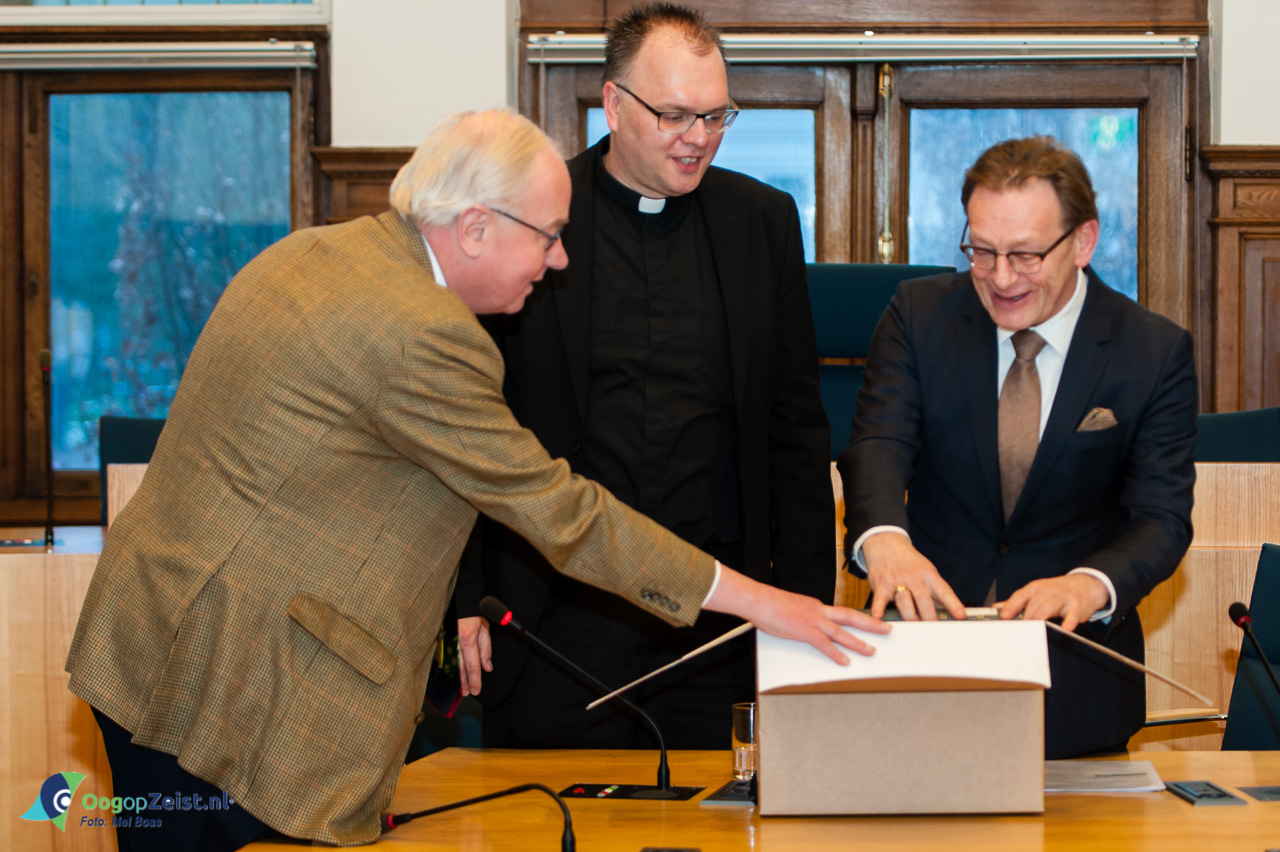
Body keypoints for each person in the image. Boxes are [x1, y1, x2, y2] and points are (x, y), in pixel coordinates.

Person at [65, 109, 887, 852]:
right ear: (476, 228)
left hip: (154, 642)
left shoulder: (316, 251)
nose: (561, 260)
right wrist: (763, 600)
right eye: (551, 235)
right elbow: (562, 514)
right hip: (235, 692)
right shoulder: (425, 334)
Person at [454, 3, 834, 750]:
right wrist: (463, 593)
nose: (699, 139)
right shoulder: (531, 218)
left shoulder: (762, 221)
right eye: (675, 115)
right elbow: (470, 427)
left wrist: (803, 606)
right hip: (555, 621)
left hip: (715, 622)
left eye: (717, 115)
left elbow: (796, 426)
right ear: (614, 104)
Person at [840, 135, 1197, 759]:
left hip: (1076, 687)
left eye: (1026, 256)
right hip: (921, 674)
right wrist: (884, 541)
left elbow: (1162, 520)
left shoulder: (1153, 350)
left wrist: (1089, 586)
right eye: (982, 251)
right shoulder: (918, 316)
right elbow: (877, 444)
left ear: (1083, 242)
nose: (1000, 278)